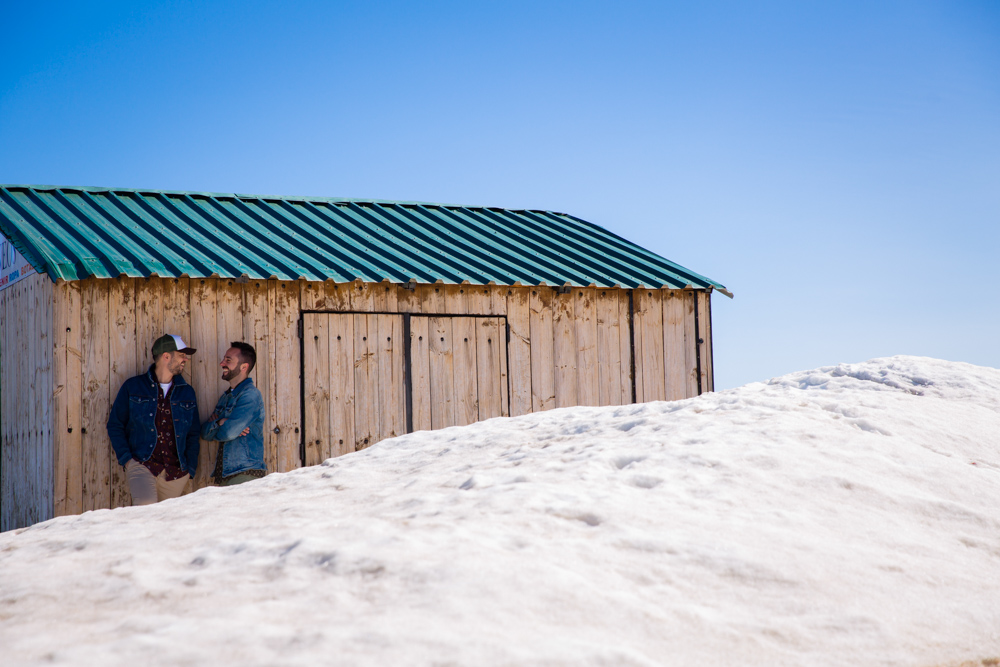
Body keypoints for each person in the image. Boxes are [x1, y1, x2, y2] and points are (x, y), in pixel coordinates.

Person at [107, 334, 200, 505]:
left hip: (176, 473)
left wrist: (189, 469)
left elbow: (193, 433)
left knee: (165, 525)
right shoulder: (133, 386)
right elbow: (115, 425)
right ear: (166, 356)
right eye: (181, 355)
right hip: (143, 464)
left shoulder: (187, 392)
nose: (185, 359)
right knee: (144, 512)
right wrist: (128, 460)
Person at [202, 341, 266, 486]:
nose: (221, 363)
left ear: (244, 367)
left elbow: (229, 433)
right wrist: (220, 422)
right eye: (224, 359)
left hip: (245, 473)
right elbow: (205, 434)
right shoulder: (225, 397)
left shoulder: (250, 396)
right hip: (225, 473)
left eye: (228, 360)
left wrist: (223, 426)